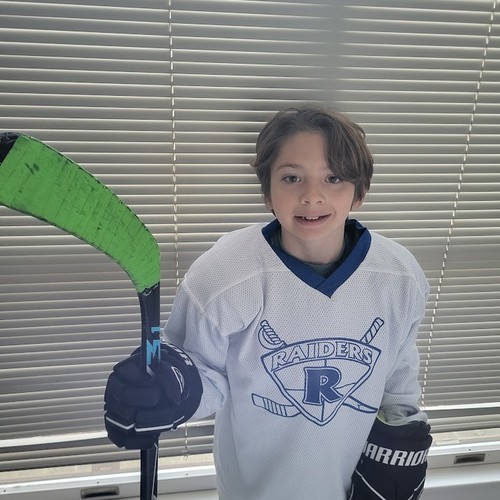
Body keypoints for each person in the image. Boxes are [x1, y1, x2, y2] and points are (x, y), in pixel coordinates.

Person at [104, 105, 432, 500]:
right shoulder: (224, 273)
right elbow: (206, 373)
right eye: (292, 177)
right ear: (267, 191)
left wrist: (403, 439)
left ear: (359, 192)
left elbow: (397, 377)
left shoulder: (399, 275)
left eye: (333, 178)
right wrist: (172, 392)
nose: (312, 196)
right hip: (255, 487)